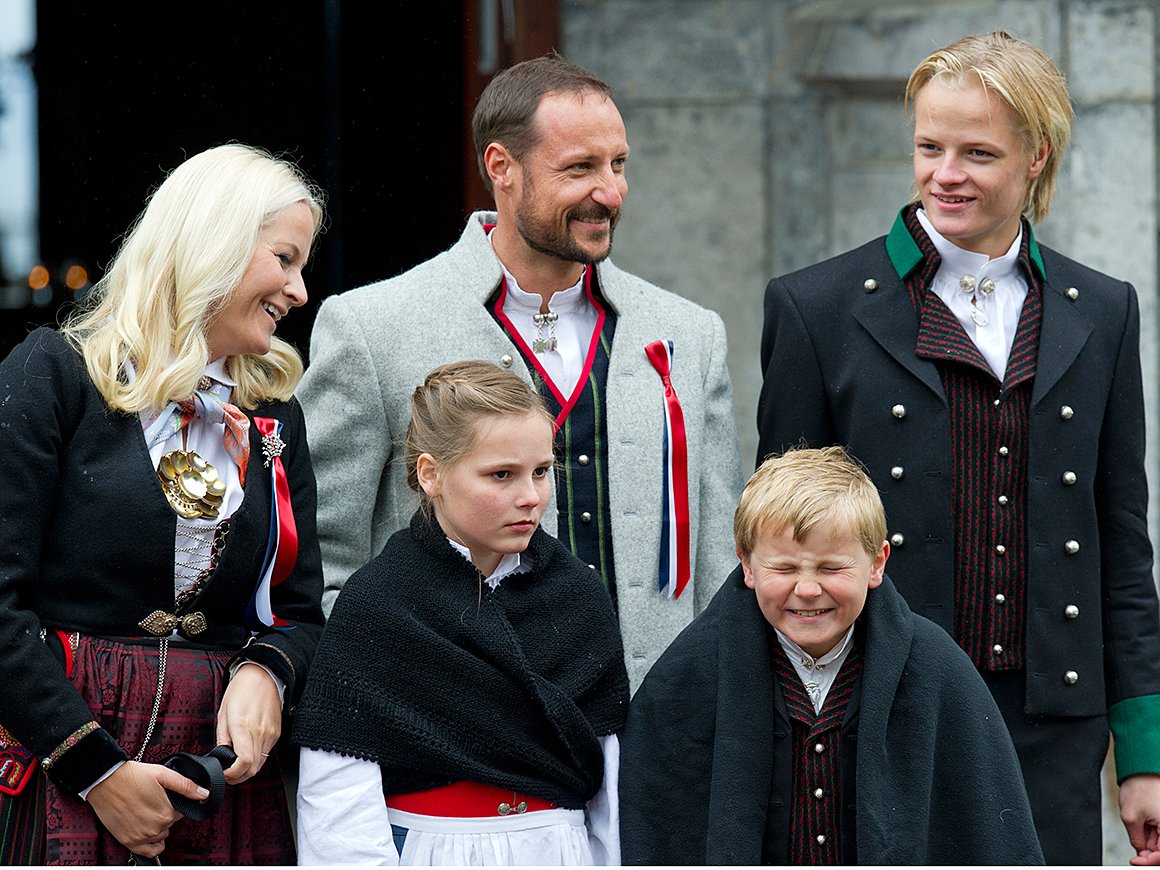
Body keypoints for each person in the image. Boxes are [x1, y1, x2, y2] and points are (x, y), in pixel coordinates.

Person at [756, 30, 1160, 865]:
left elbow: (1123, 549)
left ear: (1036, 156)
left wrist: (1145, 756)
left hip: (1055, 724)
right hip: (878, 706)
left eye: (978, 153)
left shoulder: (1103, 310)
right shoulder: (816, 308)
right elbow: (779, 547)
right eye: (929, 147)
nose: (946, 174)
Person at [298, 52, 743, 692]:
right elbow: (320, 563)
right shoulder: (372, 328)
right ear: (501, 168)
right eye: (580, 168)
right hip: (451, 727)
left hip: (658, 729)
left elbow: (719, 562)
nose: (611, 192)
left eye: (619, 164)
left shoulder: (690, 334)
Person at [0, 143, 327, 864]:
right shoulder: (54, 375)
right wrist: (96, 770)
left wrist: (266, 671)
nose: (300, 290)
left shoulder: (276, 417)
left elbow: (300, 612)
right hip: (64, 756)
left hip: (216, 780)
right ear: (214, 244)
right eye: (284, 259)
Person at [618, 446, 1043, 865]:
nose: (806, 589)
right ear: (746, 565)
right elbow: (656, 828)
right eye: (784, 569)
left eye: (831, 568)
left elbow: (988, 834)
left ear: (876, 564)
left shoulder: (935, 668)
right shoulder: (690, 676)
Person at [293, 359, 629, 865]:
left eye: (541, 471)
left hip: (560, 850)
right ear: (431, 474)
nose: (531, 497)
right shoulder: (379, 604)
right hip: (429, 850)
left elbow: (611, 784)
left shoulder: (579, 596)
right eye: (501, 475)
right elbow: (338, 794)